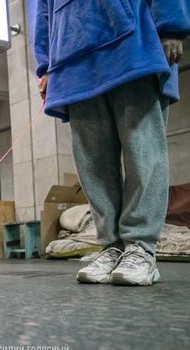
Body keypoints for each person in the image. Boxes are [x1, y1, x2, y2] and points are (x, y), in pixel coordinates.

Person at [30, 0, 189, 286]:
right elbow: (41, 7)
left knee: (143, 151)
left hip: (131, 39)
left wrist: (171, 24)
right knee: (92, 163)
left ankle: (141, 246)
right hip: (71, 55)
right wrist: (45, 64)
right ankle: (110, 246)